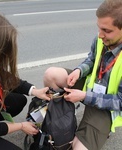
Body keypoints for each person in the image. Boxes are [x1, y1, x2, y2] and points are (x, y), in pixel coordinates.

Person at [43, 0, 122, 150]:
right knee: (51, 75)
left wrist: (84, 96)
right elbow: (91, 60)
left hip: (106, 108)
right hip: (88, 88)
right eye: (99, 28)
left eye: (107, 30)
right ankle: (63, 120)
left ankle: (98, 131)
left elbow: (121, 101)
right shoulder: (101, 38)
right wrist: (79, 71)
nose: (100, 35)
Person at [0, 10, 50, 150]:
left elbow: (4, 76)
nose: (3, 58)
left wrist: (35, 91)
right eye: (0, 53)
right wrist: (20, 126)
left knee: (19, 100)